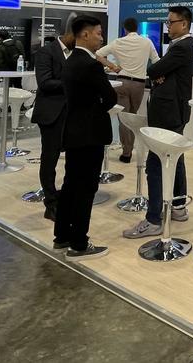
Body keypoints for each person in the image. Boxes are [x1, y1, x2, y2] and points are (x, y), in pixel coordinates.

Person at [124, 7, 193, 239]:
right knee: (176, 159)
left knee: (155, 164)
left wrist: (158, 73)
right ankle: (178, 207)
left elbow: (153, 69)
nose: (168, 27)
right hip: (173, 112)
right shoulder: (179, 46)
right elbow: (159, 72)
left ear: (183, 24)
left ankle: (154, 219)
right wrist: (159, 74)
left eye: (171, 22)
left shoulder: (182, 47)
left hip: (169, 114)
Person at [54, 16, 118, 260]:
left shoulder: (70, 60)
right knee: (85, 188)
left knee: (71, 184)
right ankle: (79, 244)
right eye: (98, 33)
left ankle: (62, 236)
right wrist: (98, 105)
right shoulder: (91, 65)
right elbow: (110, 97)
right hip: (90, 134)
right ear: (85, 34)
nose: (101, 37)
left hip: (74, 132)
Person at [96, 17, 159, 163]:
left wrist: (112, 66)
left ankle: (126, 153)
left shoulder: (118, 42)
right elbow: (156, 61)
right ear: (137, 28)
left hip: (122, 83)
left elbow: (97, 54)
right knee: (132, 116)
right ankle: (131, 148)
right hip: (139, 84)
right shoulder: (146, 42)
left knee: (124, 118)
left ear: (125, 29)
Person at [31, 19, 76, 221]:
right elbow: (45, 82)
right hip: (52, 114)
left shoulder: (79, 53)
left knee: (73, 159)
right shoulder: (46, 52)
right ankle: (50, 203)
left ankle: (65, 197)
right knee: (50, 159)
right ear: (71, 34)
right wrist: (74, 82)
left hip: (73, 114)